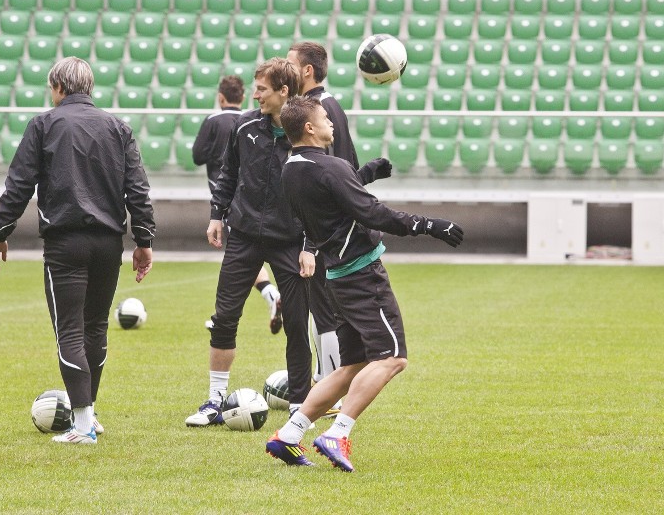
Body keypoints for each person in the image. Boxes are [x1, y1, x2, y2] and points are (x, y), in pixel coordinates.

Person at [265, 96, 464, 471]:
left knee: (352, 365)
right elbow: (370, 211)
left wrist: (366, 173)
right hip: (362, 275)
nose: (332, 123)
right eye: (325, 118)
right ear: (309, 128)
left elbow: (333, 188)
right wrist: (429, 225)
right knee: (392, 358)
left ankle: (289, 436)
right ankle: (337, 433)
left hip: (335, 276)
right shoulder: (331, 167)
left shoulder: (292, 168)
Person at [0, 56, 155, 444]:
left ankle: (81, 425)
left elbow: (19, 185)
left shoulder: (44, 124)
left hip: (65, 244)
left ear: (58, 88)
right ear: (89, 87)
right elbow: (139, 191)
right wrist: (143, 241)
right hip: (109, 244)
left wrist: (0, 233)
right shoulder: (118, 127)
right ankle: (89, 415)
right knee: (95, 328)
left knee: (70, 332)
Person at [185, 58, 315, 427]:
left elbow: (319, 193)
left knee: (295, 321)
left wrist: (311, 246)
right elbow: (228, 175)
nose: (254, 94)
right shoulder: (243, 126)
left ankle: (299, 408)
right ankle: (213, 402)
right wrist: (216, 215)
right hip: (243, 236)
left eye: (262, 89)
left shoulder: (305, 132)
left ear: (284, 92)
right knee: (224, 317)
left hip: (291, 240)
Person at [286, 41, 388, 391]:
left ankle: (327, 387)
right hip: (337, 228)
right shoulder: (327, 106)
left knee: (325, 312)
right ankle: (326, 381)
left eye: (290, 64)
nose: (286, 70)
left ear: (307, 70)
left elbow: (325, 180)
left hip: (328, 232)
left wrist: (308, 242)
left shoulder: (315, 111)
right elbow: (349, 170)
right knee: (328, 312)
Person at [193, 75, 282, 335]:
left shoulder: (213, 121)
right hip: (254, 199)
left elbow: (197, 156)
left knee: (238, 259)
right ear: (242, 97)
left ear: (221, 97)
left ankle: (226, 316)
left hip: (230, 202)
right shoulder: (254, 120)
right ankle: (269, 297)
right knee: (247, 256)